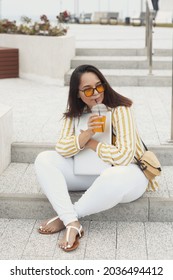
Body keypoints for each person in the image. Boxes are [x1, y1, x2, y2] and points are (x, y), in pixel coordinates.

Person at [34, 64, 156, 253]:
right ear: (77, 93)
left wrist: (91, 144)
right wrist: (87, 133)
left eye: (99, 86)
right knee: (44, 159)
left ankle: (68, 217)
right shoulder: (74, 115)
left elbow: (124, 157)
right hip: (87, 173)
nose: (96, 93)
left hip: (128, 176)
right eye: (88, 89)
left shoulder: (121, 110)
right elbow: (62, 149)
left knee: (112, 176)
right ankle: (72, 221)